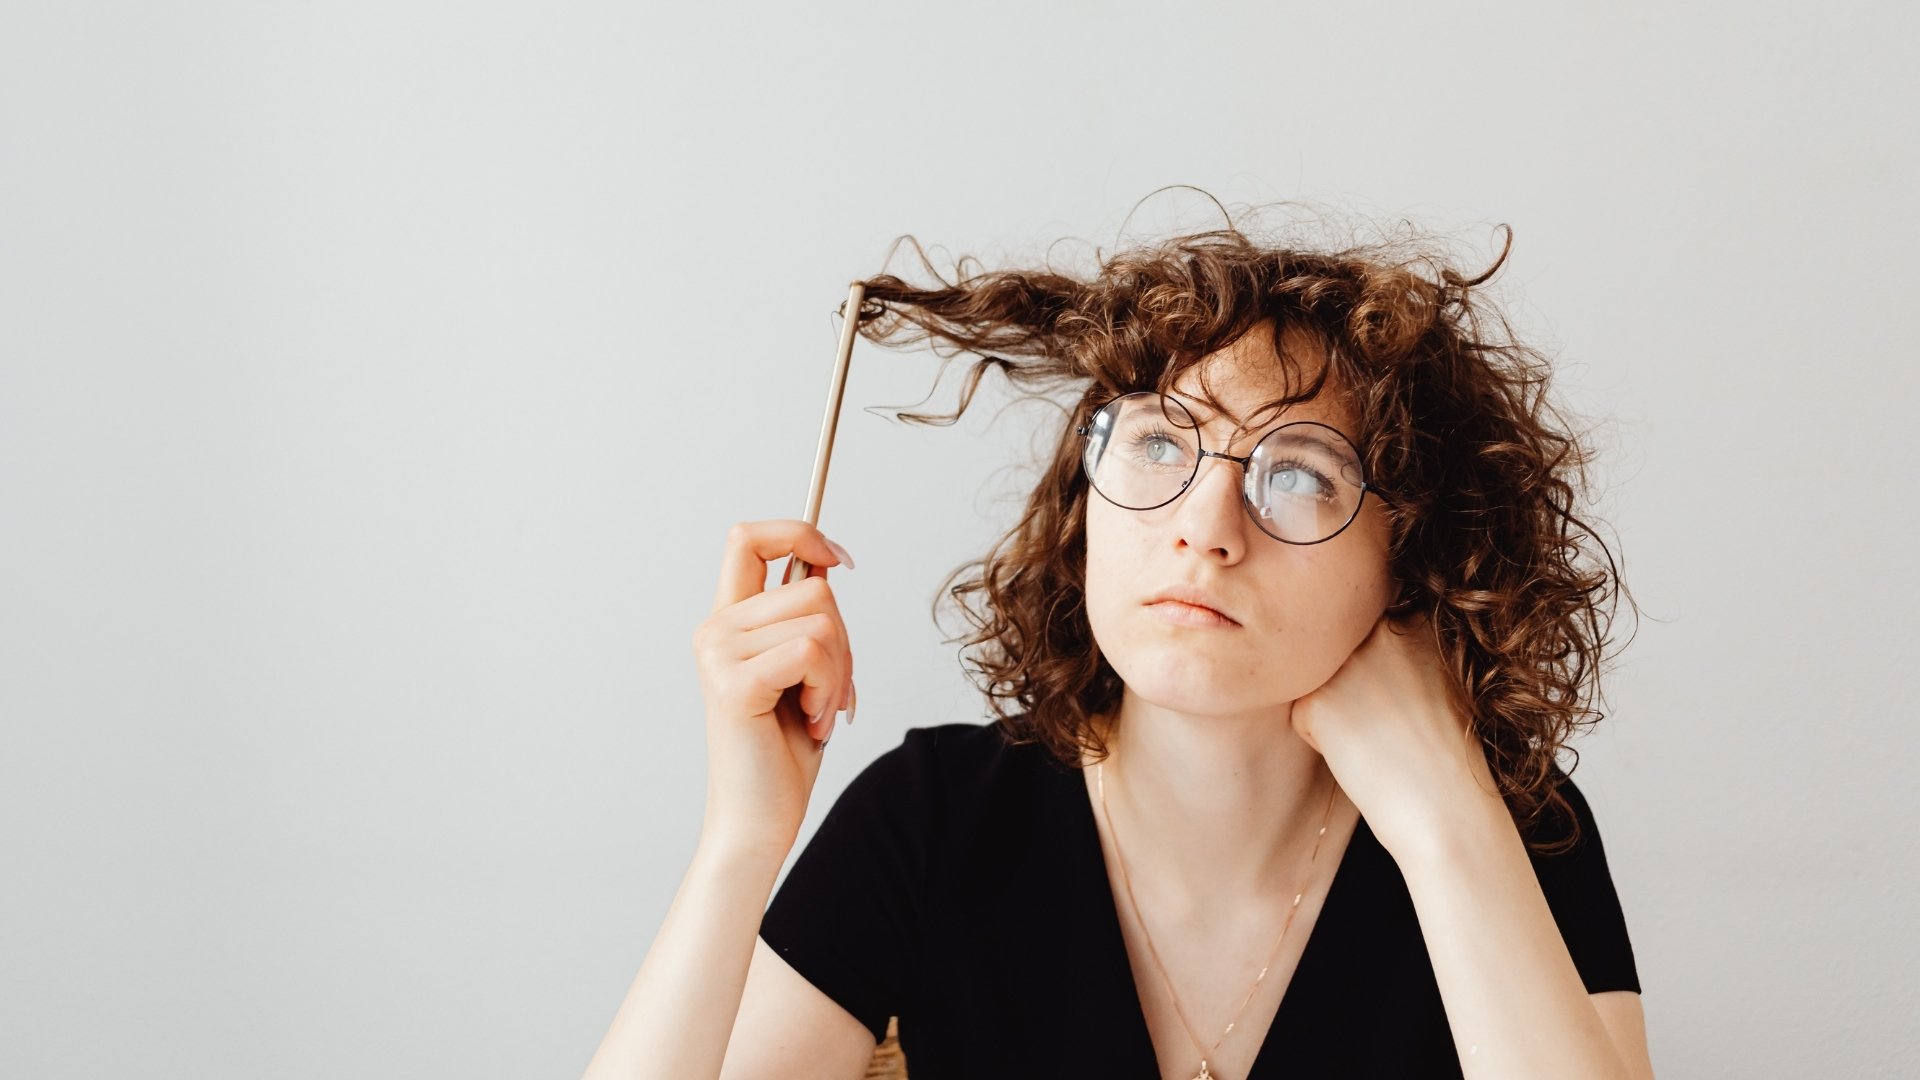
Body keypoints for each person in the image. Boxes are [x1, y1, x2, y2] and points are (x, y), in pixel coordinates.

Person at [581, 206, 1655, 1080]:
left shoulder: (1517, 824)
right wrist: (742, 838)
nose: (1204, 528)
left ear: (1413, 555)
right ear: (1083, 504)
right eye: (1156, 444)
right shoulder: (936, 815)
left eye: (1297, 473)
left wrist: (1444, 825)